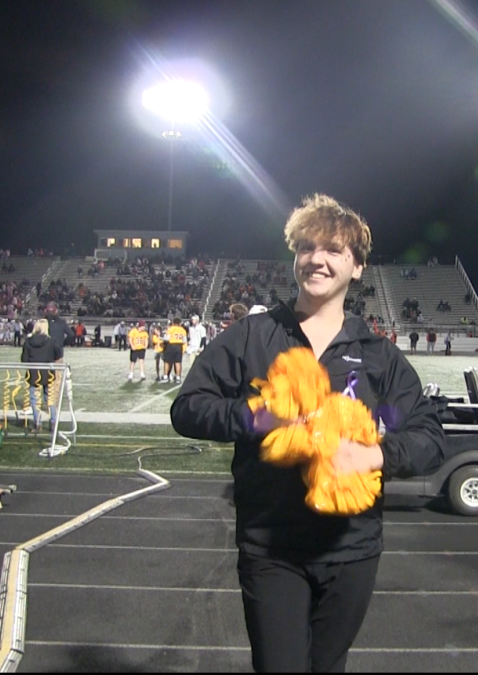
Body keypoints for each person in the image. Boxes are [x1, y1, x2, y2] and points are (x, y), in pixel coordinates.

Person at [170, 193, 445, 673]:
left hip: (352, 547)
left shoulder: (379, 355)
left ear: (357, 267)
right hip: (271, 547)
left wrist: (376, 455)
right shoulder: (252, 337)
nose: (317, 258)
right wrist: (259, 417)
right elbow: (188, 409)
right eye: (307, 247)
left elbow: (426, 433)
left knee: (328, 666)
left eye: (334, 250)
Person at [21, 318, 63, 434]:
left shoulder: (28, 341)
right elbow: (58, 355)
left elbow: (24, 359)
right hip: (48, 373)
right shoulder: (51, 341)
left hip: (33, 373)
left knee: (34, 400)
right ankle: (53, 423)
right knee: (50, 399)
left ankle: (37, 424)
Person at [164, 317, 187, 383]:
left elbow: (167, 339)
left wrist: (161, 338)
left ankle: (165, 376)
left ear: (173, 323)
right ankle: (178, 377)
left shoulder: (171, 329)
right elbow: (185, 341)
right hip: (179, 346)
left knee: (167, 362)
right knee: (178, 362)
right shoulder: (183, 330)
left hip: (171, 346)